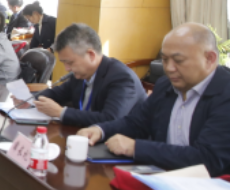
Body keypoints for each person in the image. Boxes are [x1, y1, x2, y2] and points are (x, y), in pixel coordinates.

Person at [78, 23, 230, 176]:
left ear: (209, 59)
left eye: (178, 60)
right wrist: (100, 130)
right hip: (163, 176)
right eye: (164, 59)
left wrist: (136, 148)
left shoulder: (225, 93)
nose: (169, 68)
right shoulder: (165, 85)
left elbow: (208, 159)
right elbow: (136, 123)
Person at [33, 24, 146, 127]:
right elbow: (55, 93)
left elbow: (110, 119)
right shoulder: (81, 74)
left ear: (91, 55)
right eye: (64, 63)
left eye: (70, 63)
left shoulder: (122, 78)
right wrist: (31, 100)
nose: (67, 69)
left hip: (120, 140)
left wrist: (61, 112)